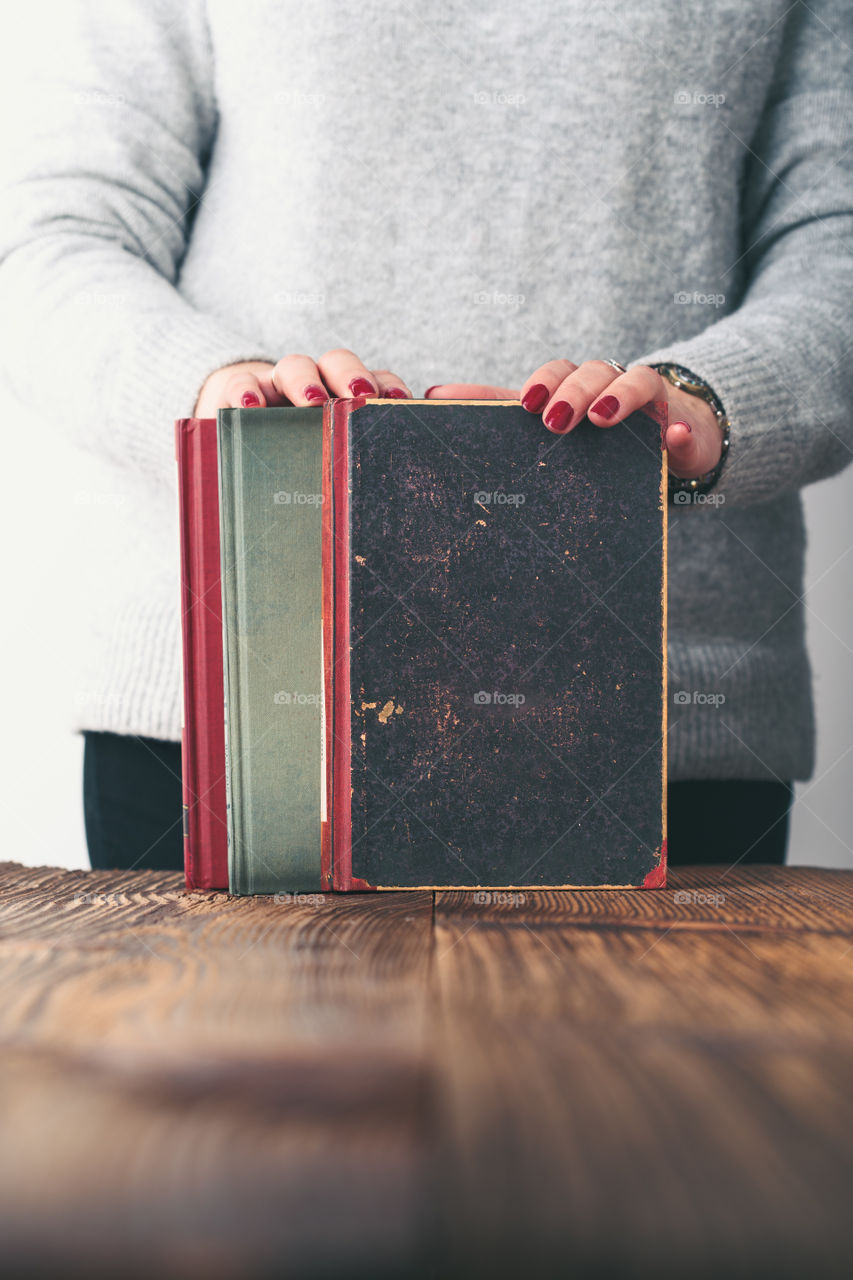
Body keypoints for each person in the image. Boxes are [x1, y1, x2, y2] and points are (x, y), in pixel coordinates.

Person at [1, 0, 850, 873]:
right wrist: (219, 394)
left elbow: (835, 249)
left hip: (664, 714)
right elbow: (55, 238)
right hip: (244, 705)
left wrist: (703, 405)